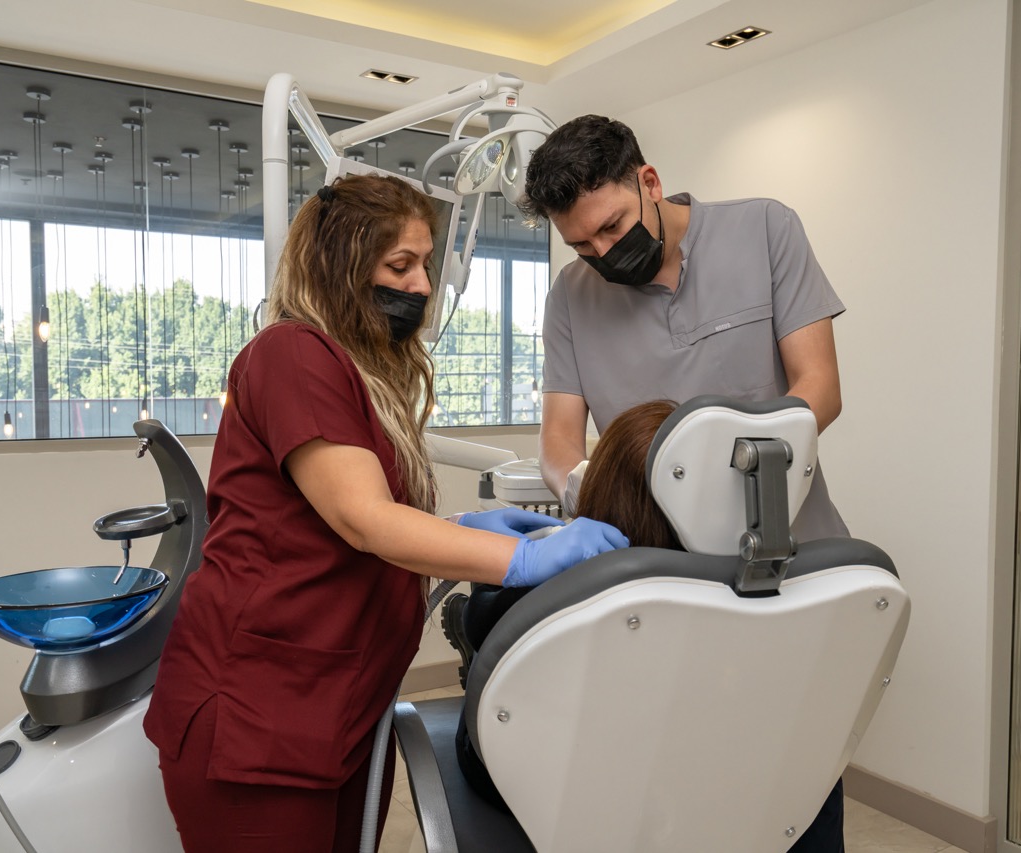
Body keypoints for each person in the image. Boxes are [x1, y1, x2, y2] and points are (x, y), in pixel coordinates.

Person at [141, 173, 627, 853]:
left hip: (340, 705)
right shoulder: (292, 354)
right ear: (339, 266)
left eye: (425, 264)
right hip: (259, 712)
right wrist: (524, 558)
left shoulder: (358, 372)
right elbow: (364, 520)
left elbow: (345, 524)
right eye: (401, 266)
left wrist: (461, 530)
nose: (422, 286)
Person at [520, 114, 850, 850]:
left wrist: (713, 479)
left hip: (784, 565)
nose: (602, 254)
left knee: (798, 776)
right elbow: (559, 445)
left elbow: (820, 390)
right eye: (581, 245)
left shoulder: (764, 229)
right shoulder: (572, 296)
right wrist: (589, 497)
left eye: (611, 228)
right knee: (678, 788)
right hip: (660, 585)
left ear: (649, 181)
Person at [449, 399, 680, 808]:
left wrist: (500, 568)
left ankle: (475, 660)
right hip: (655, 781)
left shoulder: (557, 590)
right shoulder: (724, 588)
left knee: (485, 628)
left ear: (600, 482)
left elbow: (479, 620)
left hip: (527, 786)